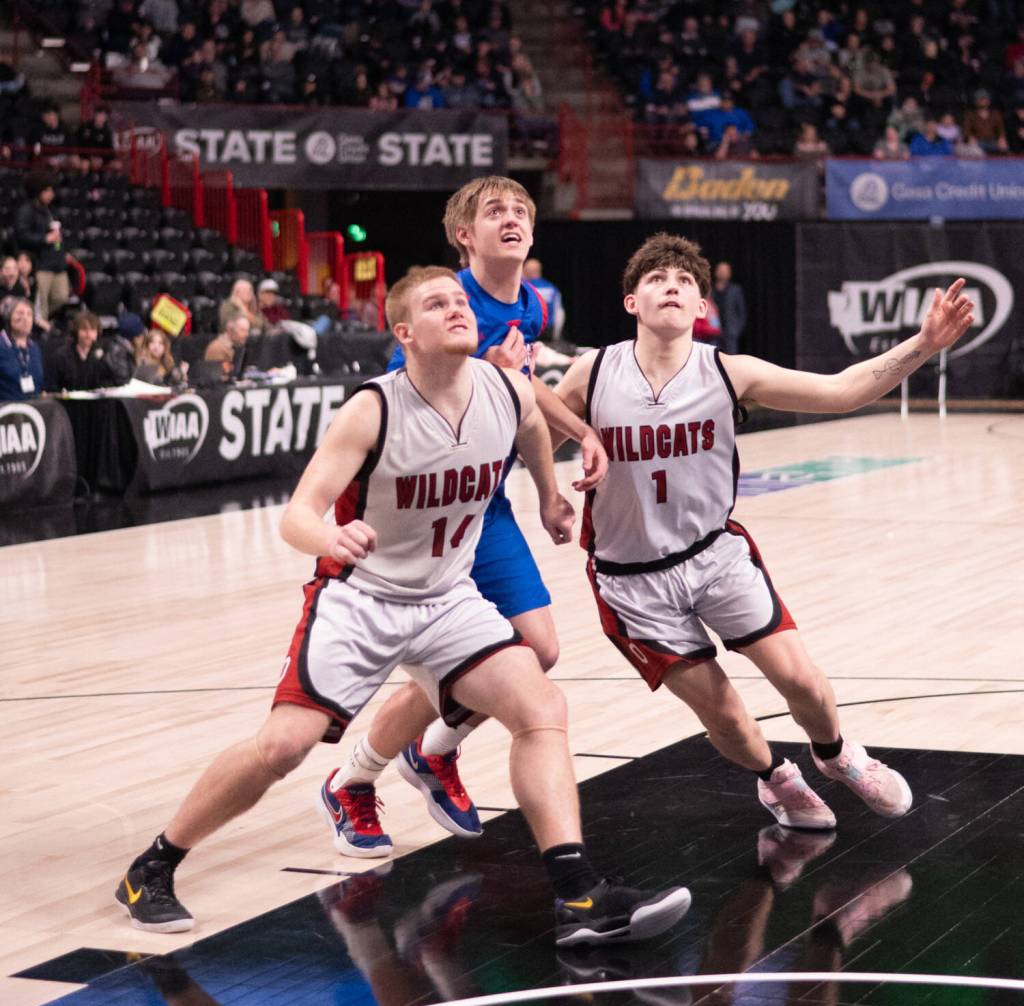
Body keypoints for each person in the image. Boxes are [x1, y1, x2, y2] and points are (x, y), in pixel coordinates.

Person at [114, 265, 691, 947]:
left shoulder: (504, 390)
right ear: (404, 333)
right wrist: (328, 535)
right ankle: (154, 865)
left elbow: (534, 424)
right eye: (435, 303)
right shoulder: (372, 407)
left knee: (542, 707)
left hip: (447, 597)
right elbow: (297, 513)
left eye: (458, 300)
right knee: (282, 748)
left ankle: (579, 895)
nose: (456, 308)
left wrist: (547, 492)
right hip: (361, 600)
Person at [550, 233, 974, 830]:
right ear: (631, 303)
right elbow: (531, 437)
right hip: (630, 579)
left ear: (702, 308)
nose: (670, 286)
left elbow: (842, 390)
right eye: (655, 280)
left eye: (685, 282)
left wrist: (925, 344)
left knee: (800, 679)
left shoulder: (730, 372)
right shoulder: (590, 374)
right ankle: (776, 778)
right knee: (723, 713)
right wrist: (548, 489)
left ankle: (837, 756)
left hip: (714, 556)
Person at [318, 176, 609, 853]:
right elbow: (415, 394)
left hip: (485, 502)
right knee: (475, 665)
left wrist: (571, 452)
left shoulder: (531, 304)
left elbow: (524, 394)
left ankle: (432, 750)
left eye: (520, 210)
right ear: (464, 236)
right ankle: (354, 778)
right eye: (493, 211)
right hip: (419, 512)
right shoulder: (440, 304)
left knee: (538, 648)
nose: (510, 218)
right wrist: (487, 369)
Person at [13, 172, 70, 324]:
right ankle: (38, 328)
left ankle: (37, 321)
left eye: (52, 190)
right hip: (40, 264)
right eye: (47, 190)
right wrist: (44, 239)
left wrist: (63, 252)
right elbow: (21, 235)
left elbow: (56, 235)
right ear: (38, 190)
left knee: (62, 296)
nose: (51, 194)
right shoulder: (26, 211)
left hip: (57, 263)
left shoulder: (50, 211)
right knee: (41, 302)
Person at [49, 311, 115, 391]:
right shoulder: (62, 355)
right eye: (84, 329)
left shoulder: (103, 354)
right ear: (76, 331)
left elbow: (108, 382)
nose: (88, 334)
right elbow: (53, 385)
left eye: (92, 329)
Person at [0, 298, 44, 401]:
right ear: (8, 317)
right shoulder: (2, 345)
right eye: (20, 313)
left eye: (29, 314)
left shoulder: (35, 349)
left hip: (33, 411)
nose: (25, 318)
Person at [524, 257, 564, 342]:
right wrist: (556, 335)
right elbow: (559, 314)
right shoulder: (552, 288)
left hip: (530, 331)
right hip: (548, 332)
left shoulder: (524, 288)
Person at [711, 261, 747, 356]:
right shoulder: (710, 290)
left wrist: (736, 330)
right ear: (716, 272)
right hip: (713, 332)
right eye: (720, 270)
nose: (722, 273)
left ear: (729, 273)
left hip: (730, 333)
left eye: (725, 271)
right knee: (714, 358)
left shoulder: (735, 290)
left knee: (730, 359)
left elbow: (741, 312)